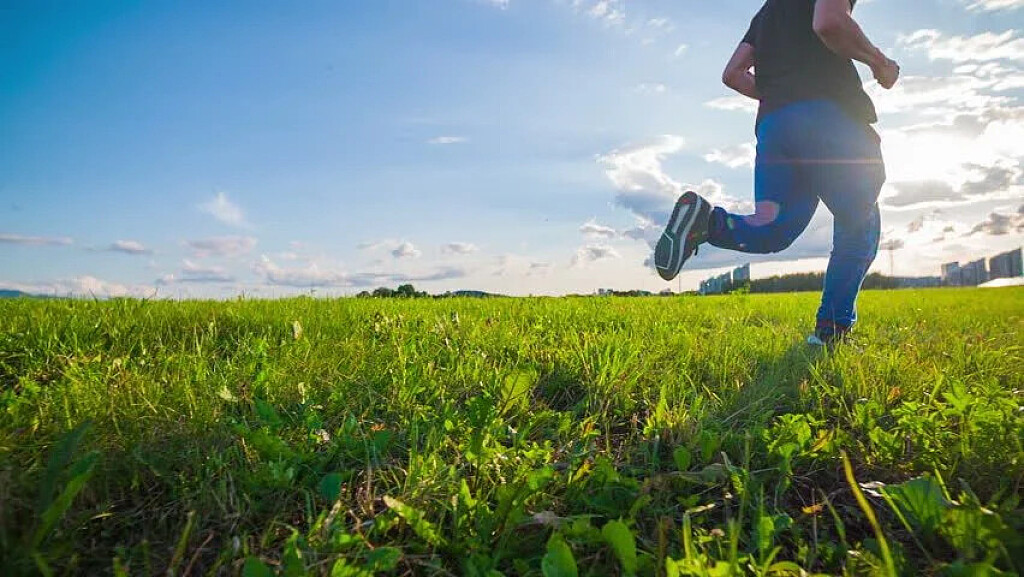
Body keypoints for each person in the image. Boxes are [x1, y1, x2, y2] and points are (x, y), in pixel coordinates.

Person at [654, 0, 900, 346]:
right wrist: (880, 63)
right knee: (859, 220)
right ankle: (831, 333)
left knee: (773, 229)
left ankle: (706, 222)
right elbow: (828, 22)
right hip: (828, 118)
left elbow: (733, 74)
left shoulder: (769, 10)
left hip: (776, 127)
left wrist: (781, 94)